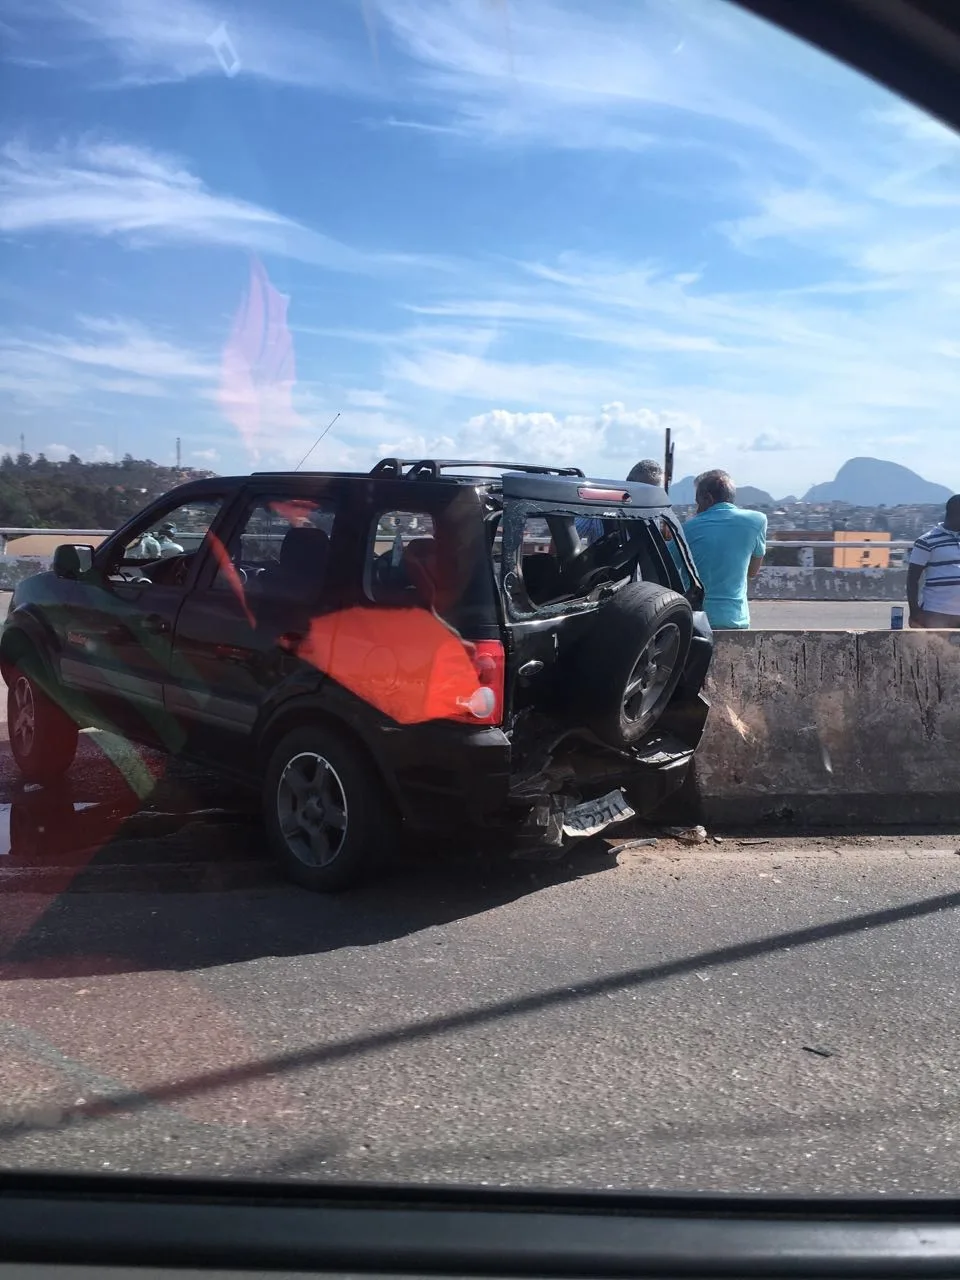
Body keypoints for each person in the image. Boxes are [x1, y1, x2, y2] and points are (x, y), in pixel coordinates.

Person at [681, 470, 766, 629]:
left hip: (697, 621)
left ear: (708, 498)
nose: (698, 510)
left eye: (698, 503)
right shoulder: (758, 521)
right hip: (736, 620)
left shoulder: (686, 528)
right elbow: (752, 572)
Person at [575, 459, 664, 544]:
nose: (647, 499)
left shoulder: (654, 518)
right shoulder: (598, 514)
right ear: (628, 483)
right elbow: (568, 539)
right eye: (644, 492)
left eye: (652, 494)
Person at [907, 495, 960, 628]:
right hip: (937, 613)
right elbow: (912, 578)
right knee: (937, 649)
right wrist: (915, 611)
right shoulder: (926, 541)